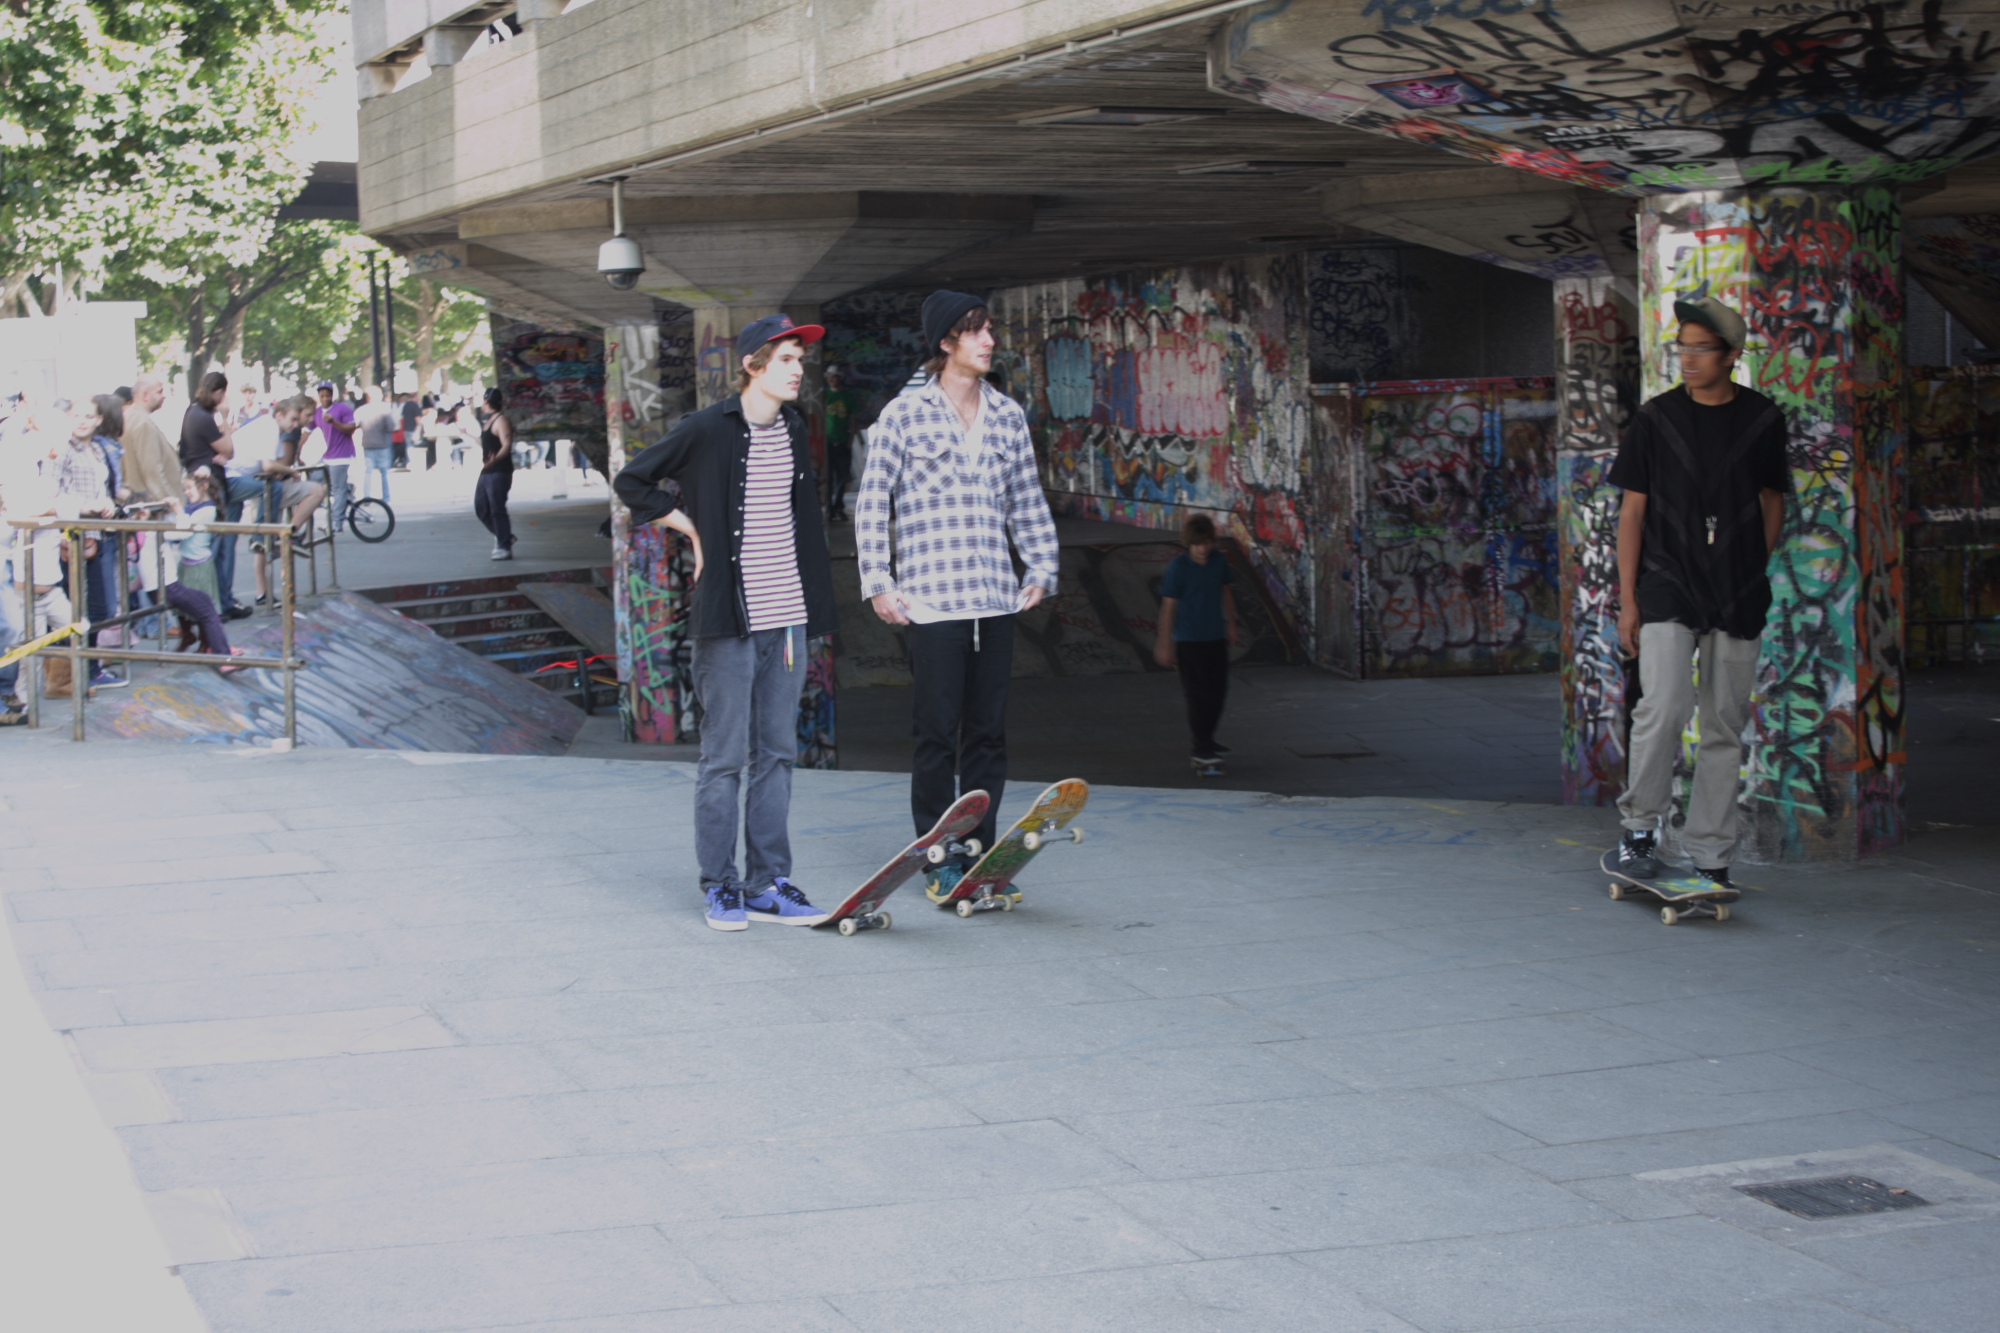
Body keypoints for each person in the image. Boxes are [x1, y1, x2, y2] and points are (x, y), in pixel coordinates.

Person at [613, 314, 840, 932]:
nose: (797, 370)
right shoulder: (708, 428)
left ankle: (768, 883)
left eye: (800, 360)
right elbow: (633, 480)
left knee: (778, 754)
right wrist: (691, 528)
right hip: (730, 619)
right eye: (786, 359)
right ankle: (720, 885)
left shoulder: (794, 427)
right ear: (752, 364)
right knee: (723, 759)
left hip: (787, 617)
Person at [856, 290, 1060, 903]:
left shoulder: (1007, 415)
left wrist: (1042, 565)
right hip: (931, 600)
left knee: (988, 736)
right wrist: (878, 581)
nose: (989, 341)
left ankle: (979, 857)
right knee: (937, 735)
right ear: (946, 342)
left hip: (994, 599)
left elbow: (1025, 498)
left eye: (989, 330)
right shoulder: (904, 414)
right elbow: (873, 501)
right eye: (975, 331)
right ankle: (937, 858)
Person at [1609, 295, 1789, 889]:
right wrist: (1629, 600)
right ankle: (1639, 829)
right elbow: (1632, 514)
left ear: (1731, 356)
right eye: (1681, 347)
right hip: (1666, 583)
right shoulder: (1655, 419)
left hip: (1737, 590)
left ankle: (1711, 853)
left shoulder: (1763, 418)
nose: (1686, 358)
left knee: (1723, 725)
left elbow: (1772, 499)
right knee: (1662, 706)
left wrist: (1752, 564)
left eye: (1700, 349)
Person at [1155, 514, 1238, 777]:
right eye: (1198, 544)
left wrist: (1232, 624)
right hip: (1189, 640)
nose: (1203, 549)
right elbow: (1169, 607)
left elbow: (1225, 592)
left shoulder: (1218, 561)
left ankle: (1208, 738)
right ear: (1189, 543)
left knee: (1217, 692)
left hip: (1215, 636)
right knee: (1198, 694)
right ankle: (1201, 747)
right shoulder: (1178, 567)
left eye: (1207, 543)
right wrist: (1165, 643)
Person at [179, 372, 250, 619]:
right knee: (217, 549)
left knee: (215, 548)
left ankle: (223, 601)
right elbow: (229, 450)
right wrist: (226, 419)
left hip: (205, 482)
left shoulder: (193, 412)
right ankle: (220, 604)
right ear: (218, 392)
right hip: (212, 488)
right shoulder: (203, 417)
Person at [476, 387, 516, 561]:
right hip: (487, 470)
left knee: (497, 508)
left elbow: (507, 444)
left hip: (499, 470)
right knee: (481, 508)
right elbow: (486, 443)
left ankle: (504, 545)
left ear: (486, 401)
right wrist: (466, 435)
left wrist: (496, 460)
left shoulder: (501, 420)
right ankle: (504, 535)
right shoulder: (488, 421)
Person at [311, 381, 357, 532]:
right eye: (322, 396)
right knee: (314, 479)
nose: (325, 398)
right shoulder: (317, 412)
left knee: (338, 489)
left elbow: (351, 429)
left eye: (328, 395)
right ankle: (346, 494)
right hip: (327, 455)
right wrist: (297, 449)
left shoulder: (342, 409)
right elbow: (307, 430)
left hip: (342, 455)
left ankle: (337, 523)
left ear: (332, 395)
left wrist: (334, 422)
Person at [822, 365, 855, 522]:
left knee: (841, 478)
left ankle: (838, 507)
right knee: (827, 478)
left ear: (840, 378)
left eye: (834, 376)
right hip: (827, 443)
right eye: (829, 377)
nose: (831, 379)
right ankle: (829, 508)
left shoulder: (847, 397)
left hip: (842, 442)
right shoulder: (824, 395)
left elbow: (853, 421)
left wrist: (850, 441)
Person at [355, 386, 396, 502]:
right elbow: (391, 427)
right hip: (382, 444)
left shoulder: (361, 410)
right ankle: (386, 497)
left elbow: (354, 424)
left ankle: (366, 497)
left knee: (368, 472)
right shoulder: (385, 409)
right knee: (384, 473)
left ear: (368, 397)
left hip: (367, 444)